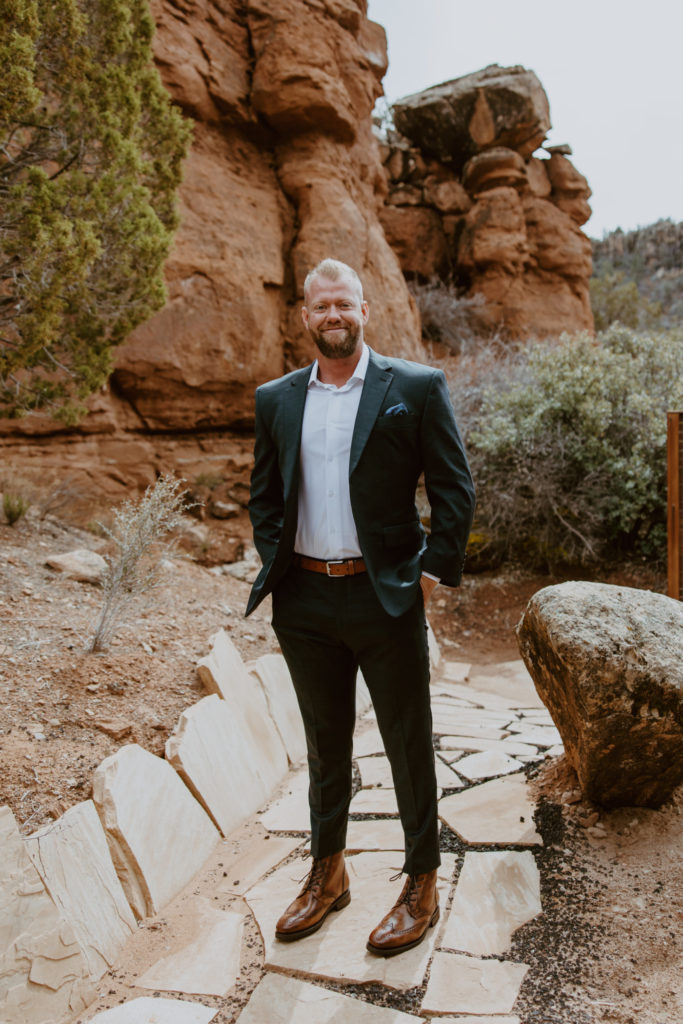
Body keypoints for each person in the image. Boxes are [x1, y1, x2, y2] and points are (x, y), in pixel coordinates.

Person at [247, 257, 475, 957]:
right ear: (306, 315)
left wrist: (428, 577)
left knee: (408, 739)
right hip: (306, 599)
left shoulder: (414, 387)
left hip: (387, 596)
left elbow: (453, 489)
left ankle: (420, 881)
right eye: (320, 307)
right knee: (324, 744)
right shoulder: (276, 398)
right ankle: (327, 872)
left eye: (343, 304)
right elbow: (263, 495)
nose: (332, 316)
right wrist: (278, 563)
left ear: (363, 310)